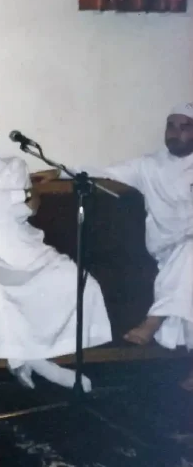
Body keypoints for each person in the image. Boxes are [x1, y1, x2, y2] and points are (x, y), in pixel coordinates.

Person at [0, 100, 112, 391]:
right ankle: (38, 363)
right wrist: (21, 194)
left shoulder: (15, 165)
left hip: (21, 244)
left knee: (76, 280)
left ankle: (32, 357)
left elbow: (26, 210)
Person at [33, 102, 193, 390]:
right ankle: (156, 323)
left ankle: (155, 322)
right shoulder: (149, 166)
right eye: (171, 126)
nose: (175, 133)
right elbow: (101, 171)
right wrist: (60, 172)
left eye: (184, 127)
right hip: (166, 250)